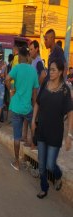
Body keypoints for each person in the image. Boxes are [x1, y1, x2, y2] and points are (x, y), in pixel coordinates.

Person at [31, 59, 72, 199]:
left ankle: (58, 175)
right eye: (50, 69)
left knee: (50, 165)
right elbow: (37, 103)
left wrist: (69, 136)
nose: (50, 72)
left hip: (55, 133)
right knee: (41, 165)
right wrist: (33, 120)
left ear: (60, 72)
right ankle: (44, 187)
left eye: (54, 70)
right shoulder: (45, 84)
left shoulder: (65, 90)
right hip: (42, 130)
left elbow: (70, 114)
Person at [5, 46, 39, 171]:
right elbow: (35, 94)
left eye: (18, 56)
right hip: (28, 108)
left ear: (20, 57)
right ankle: (35, 147)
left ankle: (17, 163)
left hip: (15, 107)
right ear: (28, 56)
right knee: (33, 127)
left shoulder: (16, 68)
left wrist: (11, 90)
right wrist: (36, 109)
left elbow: (7, 79)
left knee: (17, 137)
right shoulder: (33, 71)